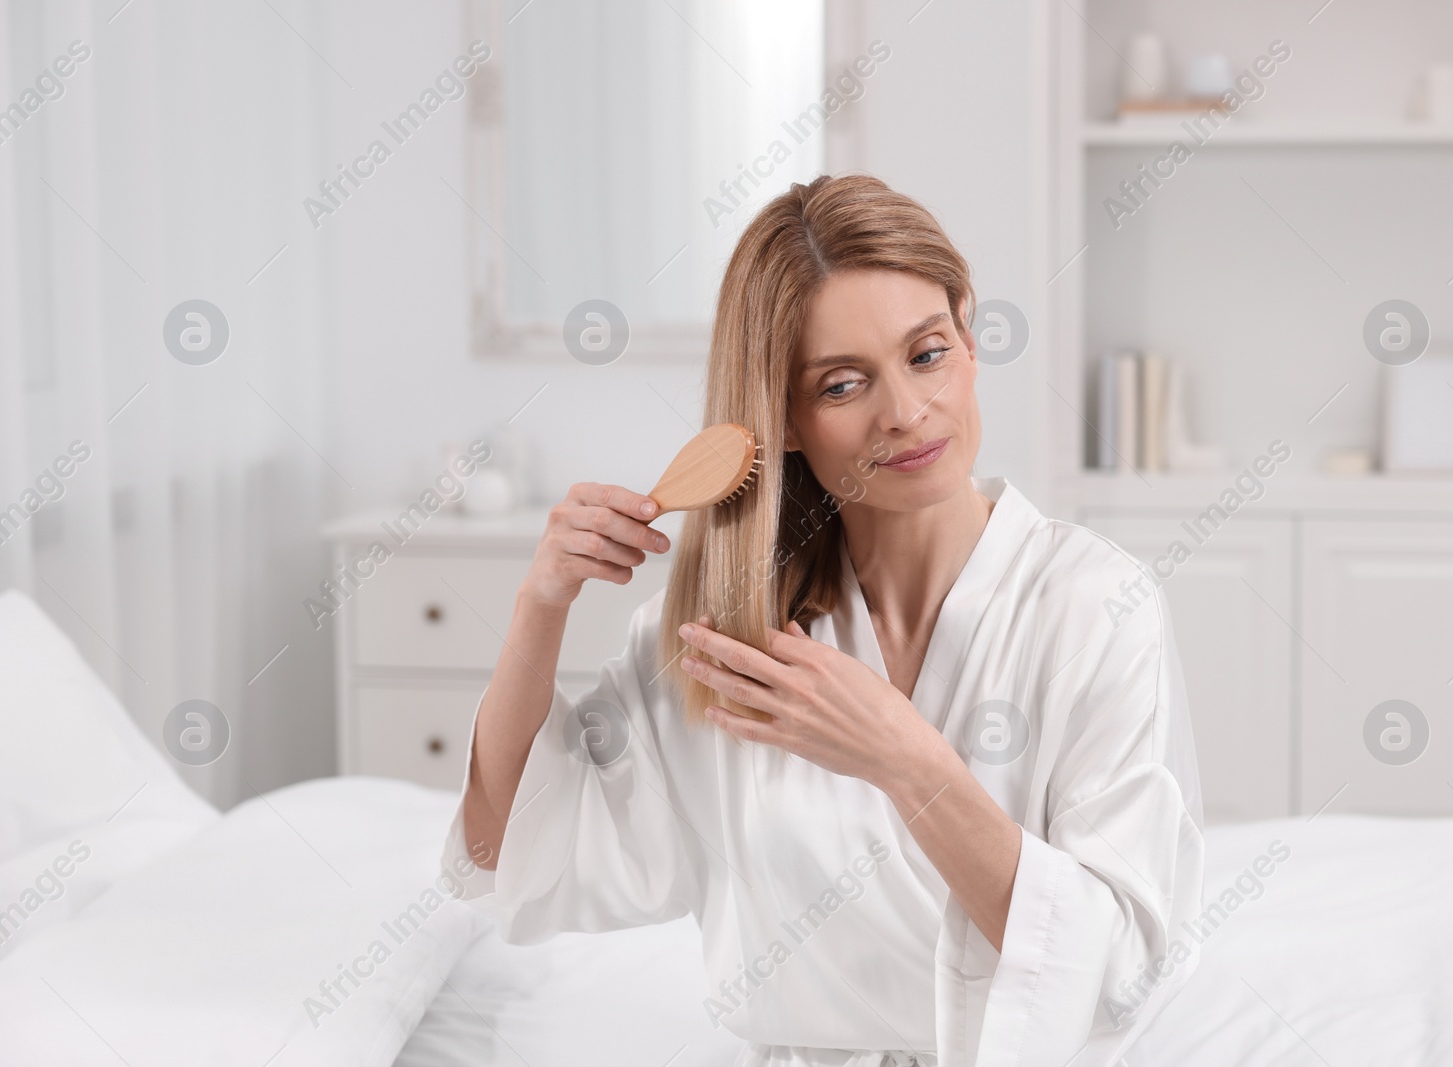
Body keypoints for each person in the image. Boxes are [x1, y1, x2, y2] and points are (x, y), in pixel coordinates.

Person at [443, 173, 1205, 1066]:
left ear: (968, 330)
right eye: (844, 385)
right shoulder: (729, 643)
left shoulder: (1094, 607)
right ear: (786, 419)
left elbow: (1119, 967)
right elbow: (508, 849)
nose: (907, 413)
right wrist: (542, 606)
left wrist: (906, 759)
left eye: (927, 354)